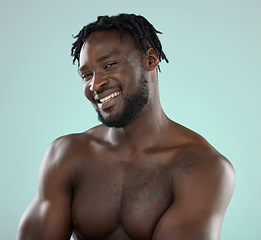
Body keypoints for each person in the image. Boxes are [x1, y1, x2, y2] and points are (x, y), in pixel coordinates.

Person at [17, 13, 235, 240]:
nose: (95, 84)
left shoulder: (202, 167)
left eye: (109, 65)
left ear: (150, 59)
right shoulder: (66, 155)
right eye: (86, 75)